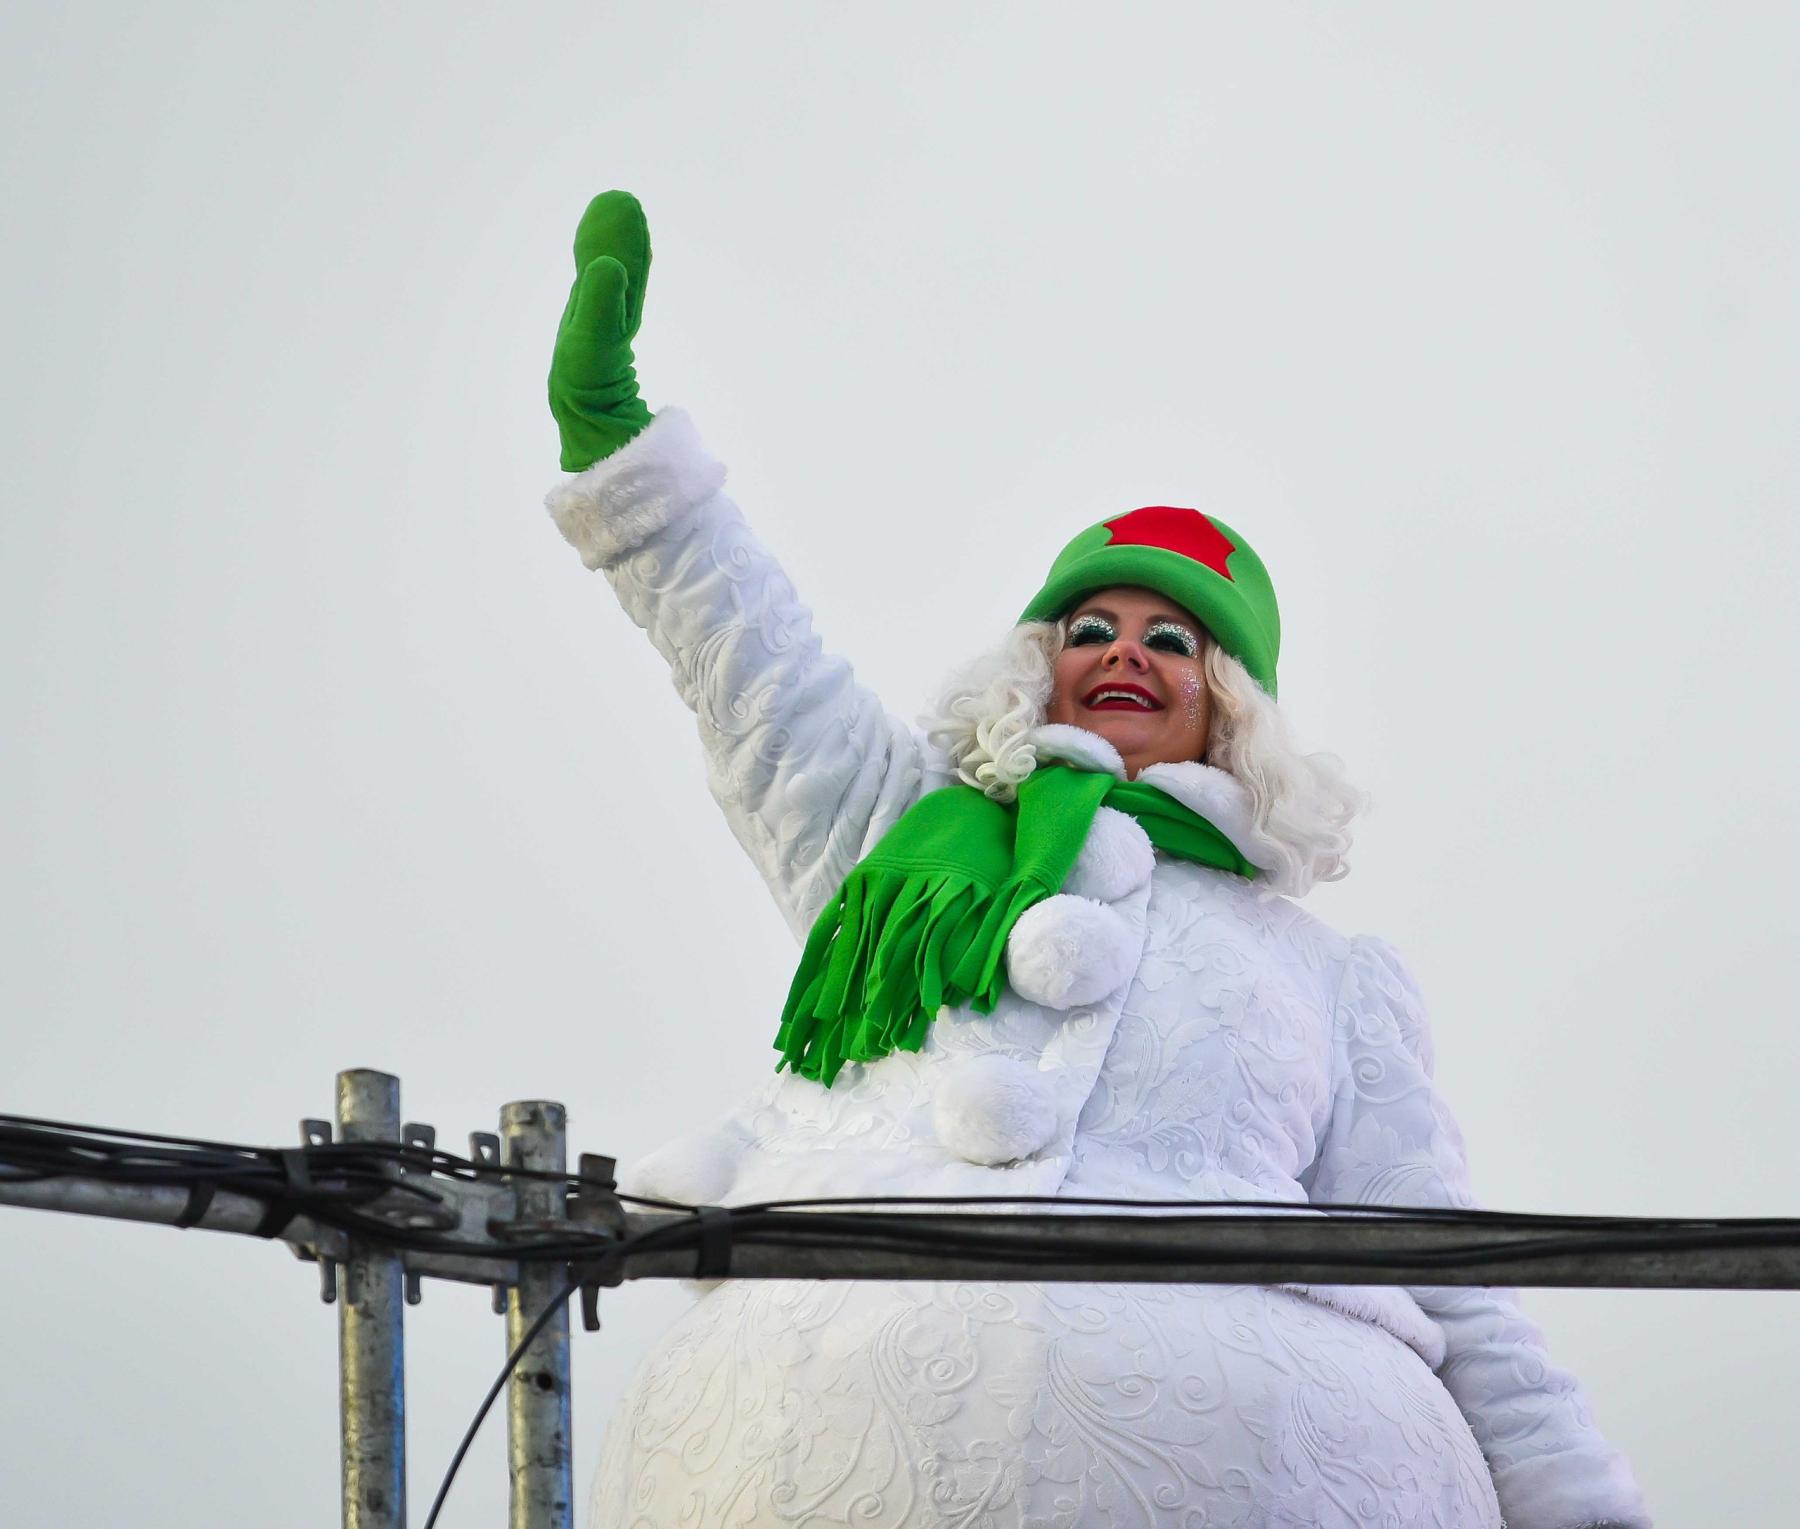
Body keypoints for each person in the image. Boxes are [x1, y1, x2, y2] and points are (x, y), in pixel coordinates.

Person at [542, 192, 1651, 1529]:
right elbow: (755, 673)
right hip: (806, 1458)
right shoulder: (896, 833)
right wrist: (625, 458)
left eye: (1170, 639)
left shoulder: (1328, 977)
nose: (1125, 650)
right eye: (1091, 624)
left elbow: (1456, 1280)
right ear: (1041, 669)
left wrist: (1579, 1508)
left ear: (1226, 700)